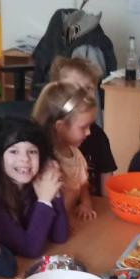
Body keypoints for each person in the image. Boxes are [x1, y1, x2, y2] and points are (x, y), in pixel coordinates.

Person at [0, 116, 69, 258]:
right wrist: (44, 201)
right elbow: (30, 250)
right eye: (14, 151)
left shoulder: (33, 186)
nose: (25, 159)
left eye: (32, 151)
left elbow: (60, 236)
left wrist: (55, 193)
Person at [49, 55, 117, 196]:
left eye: (88, 88)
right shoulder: (47, 138)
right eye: (73, 87)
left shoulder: (97, 136)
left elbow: (107, 182)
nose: (83, 94)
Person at [32, 81, 97, 220]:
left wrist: (86, 203)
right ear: (60, 127)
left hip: (73, 221)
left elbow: (82, 184)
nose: (89, 132)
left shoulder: (76, 154)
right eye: (83, 127)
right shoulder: (46, 163)